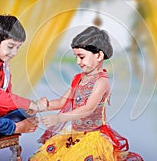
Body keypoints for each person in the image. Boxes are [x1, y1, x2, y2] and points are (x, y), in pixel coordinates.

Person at [29, 26, 143, 160]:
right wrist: (41, 106)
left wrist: (60, 118)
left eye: (81, 57)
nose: (78, 62)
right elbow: (62, 102)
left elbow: (88, 108)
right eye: (76, 57)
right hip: (74, 133)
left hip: (93, 135)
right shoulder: (78, 79)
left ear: (99, 55)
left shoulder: (101, 82)